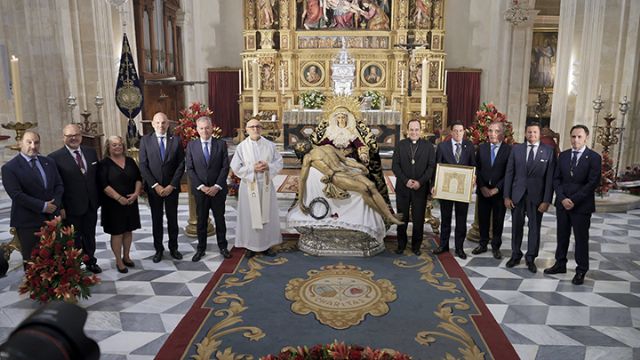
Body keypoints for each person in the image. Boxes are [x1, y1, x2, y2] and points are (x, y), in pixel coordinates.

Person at [544, 125, 601, 285]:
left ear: (586, 138)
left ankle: (581, 269)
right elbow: (556, 179)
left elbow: (592, 183)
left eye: (579, 137)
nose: (576, 140)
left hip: (581, 206)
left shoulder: (594, 157)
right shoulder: (563, 155)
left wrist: (574, 200)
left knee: (581, 239)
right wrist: (562, 198)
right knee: (562, 236)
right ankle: (560, 263)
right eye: (573, 136)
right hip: (563, 204)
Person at [296, 142, 402, 226]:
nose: (302, 145)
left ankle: (390, 216)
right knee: (364, 189)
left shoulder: (328, 146)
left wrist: (359, 166)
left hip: (347, 170)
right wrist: (300, 201)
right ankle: (384, 217)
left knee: (372, 186)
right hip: (336, 176)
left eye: (300, 143)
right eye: (299, 147)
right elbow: (302, 179)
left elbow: (345, 160)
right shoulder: (308, 158)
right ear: (301, 152)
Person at [2, 131, 63, 267]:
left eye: (36, 142)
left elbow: (59, 184)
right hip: (28, 221)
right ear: (20, 144)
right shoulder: (9, 168)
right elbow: (17, 195)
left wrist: (55, 204)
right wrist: (42, 206)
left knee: (55, 258)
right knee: (33, 262)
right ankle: (37, 289)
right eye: (29, 142)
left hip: (52, 217)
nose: (33, 146)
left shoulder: (49, 162)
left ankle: (55, 288)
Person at [49, 124, 102, 274]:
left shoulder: (91, 152)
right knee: (74, 238)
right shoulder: (55, 158)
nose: (73, 138)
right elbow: (56, 186)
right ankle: (75, 265)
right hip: (71, 207)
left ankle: (91, 261)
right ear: (63, 137)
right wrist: (61, 207)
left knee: (90, 235)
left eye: (76, 135)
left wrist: (98, 201)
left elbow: (96, 178)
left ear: (81, 136)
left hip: (91, 204)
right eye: (69, 136)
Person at [504, 122, 555, 273]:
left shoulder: (549, 151)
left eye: (535, 132)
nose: (532, 135)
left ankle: (531, 257)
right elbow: (509, 173)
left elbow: (550, 179)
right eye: (529, 132)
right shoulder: (516, 149)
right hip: (517, 195)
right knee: (516, 227)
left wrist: (546, 200)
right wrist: (507, 196)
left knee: (534, 228)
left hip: (537, 198)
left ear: (540, 134)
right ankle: (515, 254)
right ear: (525, 133)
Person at [230, 119, 283, 258]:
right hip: (249, 185)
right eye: (252, 127)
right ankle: (250, 246)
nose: (255, 129)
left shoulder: (270, 145)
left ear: (261, 128)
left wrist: (268, 167)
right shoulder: (242, 147)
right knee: (249, 216)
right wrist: (252, 168)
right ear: (246, 129)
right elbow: (235, 167)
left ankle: (266, 245)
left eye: (258, 126)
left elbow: (279, 162)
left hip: (265, 185)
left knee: (267, 216)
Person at [139, 112, 185, 263]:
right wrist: (155, 185)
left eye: (164, 122)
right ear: (152, 124)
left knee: (173, 219)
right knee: (156, 219)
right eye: (158, 123)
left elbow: (181, 164)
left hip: (172, 188)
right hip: (154, 189)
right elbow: (143, 165)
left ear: (168, 124)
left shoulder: (176, 140)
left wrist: (172, 185)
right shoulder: (145, 140)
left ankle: (174, 248)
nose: (161, 125)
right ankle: (158, 249)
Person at [186, 116, 232, 261]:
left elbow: (225, 167)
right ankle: (201, 249)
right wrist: (202, 187)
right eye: (201, 128)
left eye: (207, 128)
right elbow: (190, 168)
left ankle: (223, 246)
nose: (205, 131)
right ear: (197, 130)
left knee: (220, 219)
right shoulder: (191, 146)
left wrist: (216, 186)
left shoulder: (221, 144)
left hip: (218, 190)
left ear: (212, 128)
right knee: (201, 221)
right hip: (201, 191)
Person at [98, 136, 142, 273]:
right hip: (113, 204)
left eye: (120, 144)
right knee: (117, 232)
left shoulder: (130, 161)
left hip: (130, 202)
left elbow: (138, 178)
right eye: (114, 145)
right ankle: (118, 260)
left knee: (128, 230)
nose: (118, 147)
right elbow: (103, 185)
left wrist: (135, 193)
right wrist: (118, 198)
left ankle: (127, 256)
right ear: (108, 147)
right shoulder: (104, 164)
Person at [392, 119, 436, 256]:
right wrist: (406, 181)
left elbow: (431, 167)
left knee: (418, 219)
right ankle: (401, 244)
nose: (414, 132)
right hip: (403, 188)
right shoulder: (400, 145)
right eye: (411, 129)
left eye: (416, 130)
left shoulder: (428, 146)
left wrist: (420, 182)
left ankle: (416, 245)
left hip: (420, 188)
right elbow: (395, 166)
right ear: (407, 131)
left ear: (420, 131)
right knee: (401, 218)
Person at [432, 121, 476, 259]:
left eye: (460, 131)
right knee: (445, 219)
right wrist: (434, 185)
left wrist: (474, 177)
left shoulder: (469, 146)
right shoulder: (442, 146)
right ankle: (443, 245)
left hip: (462, 191)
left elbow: (473, 165)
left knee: (461, 220)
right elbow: (437, 167)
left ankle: (459, 248)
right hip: (446, 190)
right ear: (451, 132)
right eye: (455, 131)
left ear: (464, 132)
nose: (458, 133)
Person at [472, 122, 511, 260]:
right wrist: (482, 186)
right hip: (483, 191)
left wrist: (497, 189)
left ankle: (496, 246)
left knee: (498, 220)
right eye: (490, 131)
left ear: (502, 133)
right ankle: (482, 244)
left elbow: (509, 172)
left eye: (496, 131)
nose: (492, 134)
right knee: (482, 219)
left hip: (499, 193)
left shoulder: (509, 150)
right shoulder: (482, 148)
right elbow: (477, 168)